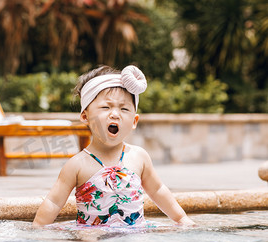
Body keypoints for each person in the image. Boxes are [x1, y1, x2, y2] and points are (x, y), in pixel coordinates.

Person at [33, 65, 195, 227]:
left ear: (134, 121)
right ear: (85, 116)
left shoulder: (139, 156)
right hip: (93, 238)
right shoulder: (77, 164)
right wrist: (37, 228)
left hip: (134, 237)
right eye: (106, 107)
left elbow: (158, 190)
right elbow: (54, 202)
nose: (115, 114)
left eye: (124, 108)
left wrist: (181, 219)